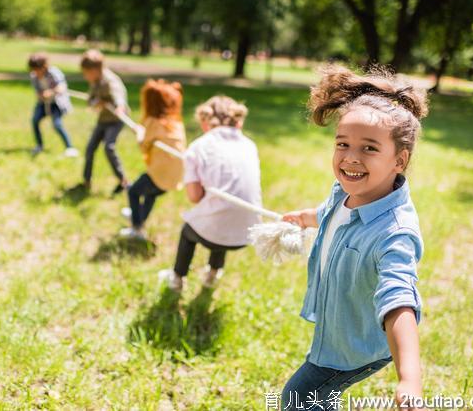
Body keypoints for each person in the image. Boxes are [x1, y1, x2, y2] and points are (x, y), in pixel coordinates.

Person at [280, 65, 429, 411]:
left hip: (357, 344)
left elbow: (399, 302)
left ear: (400, 160)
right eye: (343, 144)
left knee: (298, 399)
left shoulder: (394, 233)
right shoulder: (345, 192)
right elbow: (334, 214)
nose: (350, 157)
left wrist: (410, 379)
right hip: (340, 327)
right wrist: (307, 218)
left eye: (369, 149)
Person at [158, 96, 262, 292]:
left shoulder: (198, 146)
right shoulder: (250, 145)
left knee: (188, 231)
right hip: (247, 231)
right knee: (221, 211)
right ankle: (213, 273)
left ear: (205, 123)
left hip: (215, 232)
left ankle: (177, 278)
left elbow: (194, 196)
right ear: (238, 122)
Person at [120, 79, 187, 240]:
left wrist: (139, 134)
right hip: (176, 176)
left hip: (160, 174)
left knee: (134, 191)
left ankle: (137, 229)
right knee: (151, 194)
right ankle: (139, 217)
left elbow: (144, 145)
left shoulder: (153, 122)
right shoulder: (176, 123)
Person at [80, 49, 129, 195]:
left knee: (109, 147)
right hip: (103, 120)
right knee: (90, 149)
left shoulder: (110, 80)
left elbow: (118, 94)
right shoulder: (95, 81)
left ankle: (124, 181)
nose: (85, 76)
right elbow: (91, 100)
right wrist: (96, 103)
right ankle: (86, 181)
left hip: (115, 120)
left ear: (94, 70)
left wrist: (120, 107)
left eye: (86, 73)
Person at [27, 53, 78, 157]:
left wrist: (51, 92)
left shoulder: (54, 72)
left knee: (57, 125)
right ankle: (39, 145)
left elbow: (62, 87)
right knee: (35, 120)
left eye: (37, 69)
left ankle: (70, 147)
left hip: (57, 103)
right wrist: (42, 95)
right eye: (33, 70)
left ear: (43, 67)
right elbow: (37, 92)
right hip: (43, 103)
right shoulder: (34, 76)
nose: (35, 72)